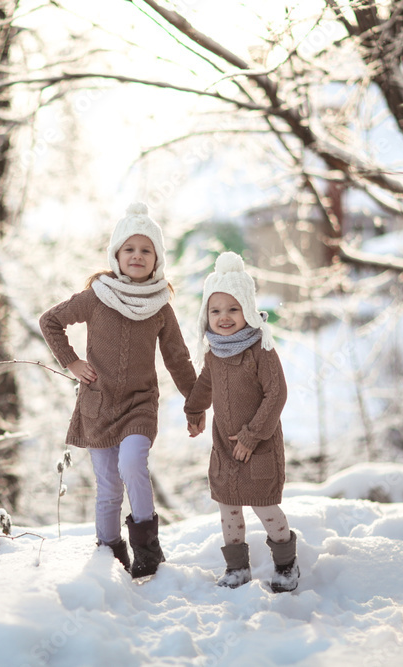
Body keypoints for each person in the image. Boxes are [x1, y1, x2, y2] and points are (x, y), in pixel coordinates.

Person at [39, 202, 197, 579]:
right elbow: (50, 321)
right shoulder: (97, 296)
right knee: (108, 484)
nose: (137, 256)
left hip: (140, 404)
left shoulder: (161, 306)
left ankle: (147, 547)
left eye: (146, 250)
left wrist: (195, 405)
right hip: (99, 403)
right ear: (116, 254)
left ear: (157, 258)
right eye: (129, 249)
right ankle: (109, 553)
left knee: (131, 464)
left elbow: (177, 358)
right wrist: (71, 362)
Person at [184, 251, 299, 593]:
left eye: (233, 309)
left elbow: (276, 395)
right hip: (224, 445)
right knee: (229, 508)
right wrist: (194, 410)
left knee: (265, 507)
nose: (224, 317)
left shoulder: (260, 349)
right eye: (215, 310)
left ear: (248, 310)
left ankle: (286, 564)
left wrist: (252, 436)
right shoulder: (214, 352)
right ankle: (237, 569)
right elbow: (206, 383)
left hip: (258, 445)